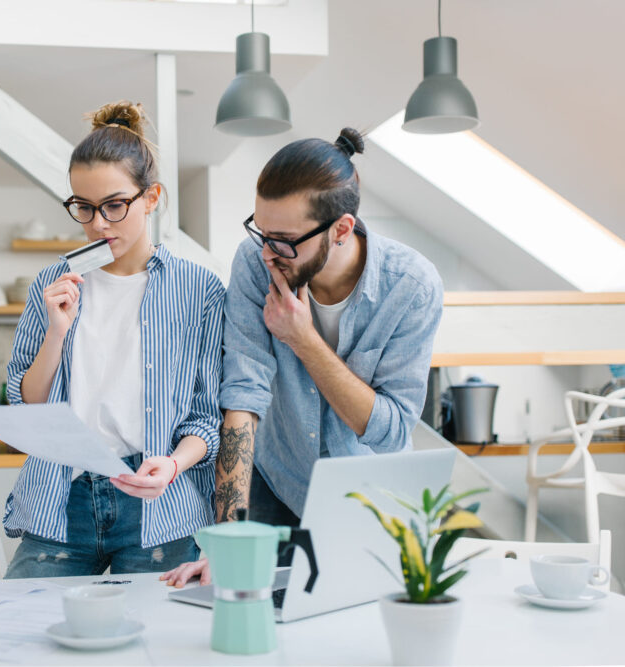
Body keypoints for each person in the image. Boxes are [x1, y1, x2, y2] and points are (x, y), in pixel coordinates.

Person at [161, 128, 443, 587]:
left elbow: (390, 432)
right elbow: (242, 399)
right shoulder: (257, 261)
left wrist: (303, 338)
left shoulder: (411, 286)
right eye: (261, 230)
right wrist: (226, 538)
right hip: (277, 479)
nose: (269, 252)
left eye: (284, 239)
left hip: (366, 494)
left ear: (341, 230)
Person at [3, 101, 225, 578]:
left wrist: (173, 464)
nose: (98, 224)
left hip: (158, 503)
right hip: (61, 497)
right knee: (22, 637)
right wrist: (57, 333)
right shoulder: (53, 282)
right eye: (83, 207)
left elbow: (207, 417)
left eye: (114, 205)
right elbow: (26, 403)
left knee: (161, 645)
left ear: (152, 197)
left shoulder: (199, 290)